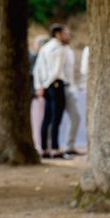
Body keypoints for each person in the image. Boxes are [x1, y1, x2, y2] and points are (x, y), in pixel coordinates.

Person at [33, 24, 73, 160]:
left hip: (46, 87)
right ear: (58, 34)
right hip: (55, 85)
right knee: (56, 119)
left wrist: (39, 86)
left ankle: (44, 148)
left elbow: (37, 69)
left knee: (47, 118)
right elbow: (56, 71)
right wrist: (45, 85)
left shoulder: (44, 48)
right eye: (65, 33)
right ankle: (55, 149)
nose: (67, 36)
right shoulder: (59, 49)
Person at [29, 35, 48, 152]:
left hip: (40, 94)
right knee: (36, 121)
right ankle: (38, 144)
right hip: (36, 95)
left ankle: (43, 144)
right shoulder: (34, 58)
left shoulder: (40, 58)